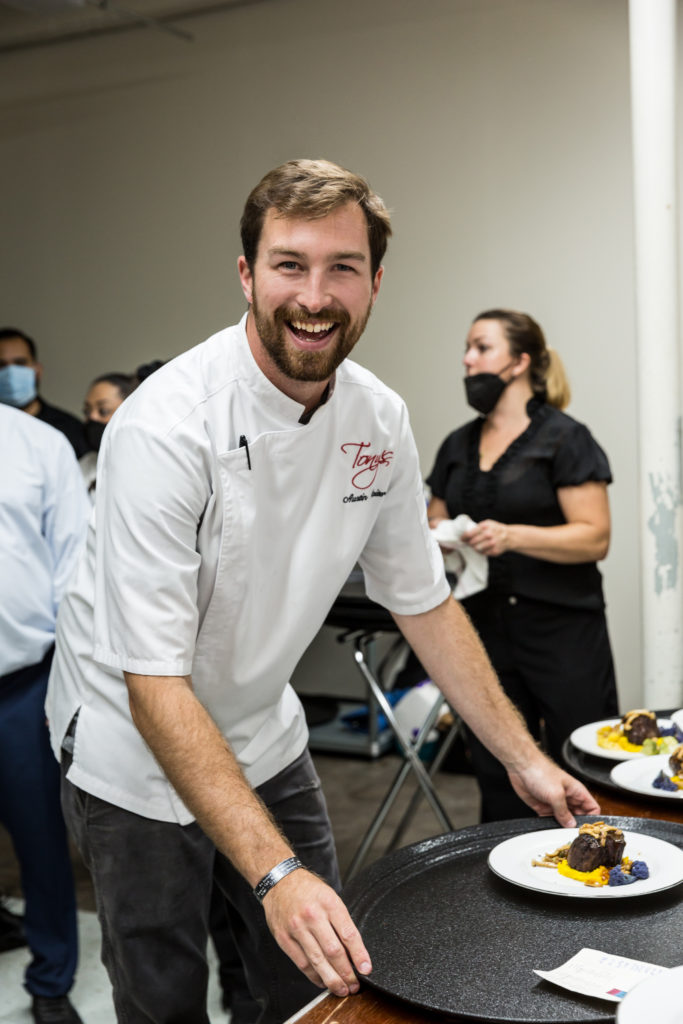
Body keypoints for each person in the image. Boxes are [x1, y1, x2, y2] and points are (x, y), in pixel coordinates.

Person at [46, 160, 599, 1024]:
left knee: (320, 982)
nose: (315, 295)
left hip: (263, 729)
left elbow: (421, 600)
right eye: (289, 265)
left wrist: (520, 755)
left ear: (375, 282)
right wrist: (274, 875)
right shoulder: (166, 426)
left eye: (342, 267)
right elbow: (153, 682)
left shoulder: (377, 418)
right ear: (247, 275)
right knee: (163, 997)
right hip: (133, 750)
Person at [426, 308, 619, 822]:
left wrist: (513, 536)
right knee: (497, 769)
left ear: (520, 361)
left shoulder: (565, 438)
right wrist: (442, 537)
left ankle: (601, 884)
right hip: (484, 631)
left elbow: (595, 536)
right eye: (466, 348)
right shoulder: (456, 444)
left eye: (482, 347)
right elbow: (434, 518)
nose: (468, 360)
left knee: (585, 761)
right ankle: (507, 890)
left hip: (563, 631)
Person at [0, 403, 89, 1024]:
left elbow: (72, 567)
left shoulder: (37, 444)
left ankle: (51, 980)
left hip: (23, 684)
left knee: (41, 840)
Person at [0, 328, 88, 457]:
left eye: (20, 363)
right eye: (1, 365)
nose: (11, 372)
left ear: (37, 370)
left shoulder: (69, 429)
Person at [79, 373, 137, 499]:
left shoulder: (141, 466)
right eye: (87, 411)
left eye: (103, 411)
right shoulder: (86, 464)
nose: (92, 417)